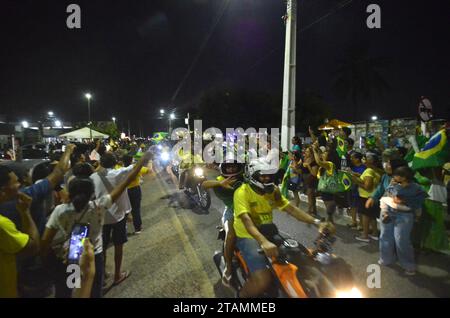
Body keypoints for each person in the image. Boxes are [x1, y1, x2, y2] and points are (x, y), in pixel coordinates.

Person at [40, 151, 151, 298]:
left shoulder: (60, 210)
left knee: (71, 287)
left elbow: (45, 242)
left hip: (73, 251)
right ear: (90, 192)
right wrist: (144, 158)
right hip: (94, 253)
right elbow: (125, 182)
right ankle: (113, 276)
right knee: (94, 290)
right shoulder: (97, 207)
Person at [233, 159, 334, 298]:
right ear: (252, 175)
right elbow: (247, 221)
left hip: (269, 231)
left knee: (302, 257)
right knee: (263, 279)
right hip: (248, 236)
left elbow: (290, 209)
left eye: (269, 175)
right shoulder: (242, 192)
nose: (267, 178)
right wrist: (263, 242)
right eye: (263, 175)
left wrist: (317, 222)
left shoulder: (273, 190)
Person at [89, 152, 139, 287]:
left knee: (101, 248)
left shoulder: (93, 177)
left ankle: (102, 275)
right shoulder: (119, 173)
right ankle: (117, 275)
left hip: (101, 217)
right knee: (118, 246)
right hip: (118, 217)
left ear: (101, 163)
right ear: (115, 163)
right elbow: (135, 167)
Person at [202, 158, 245, 288]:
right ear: (224, 169)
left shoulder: (243, 179)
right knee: (231, 235)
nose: (231, 169)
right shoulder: (220, 180)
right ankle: (228, 266)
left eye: (233, 167)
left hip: (247, 208)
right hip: (231, 211)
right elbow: (204, 184)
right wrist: (219, 184)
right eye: (228, 167)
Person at [378, 166, 427, 275]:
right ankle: (386, 258)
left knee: (402, 240)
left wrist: (405, 202)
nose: (394, 177)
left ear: (404, 177)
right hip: (388, 212)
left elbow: (418, 204)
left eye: (396, 175)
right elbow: (385, 197)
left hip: (405, 215)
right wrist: (385, 211)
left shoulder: (416, 188)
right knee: (385, 236)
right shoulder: (393, 185)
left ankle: (409, 265)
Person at [0, 166, 40, 298]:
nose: (20, 185)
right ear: (3, 190)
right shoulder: (2, 224)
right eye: (16, 182)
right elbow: (33, 247)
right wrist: (26, 212)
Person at [350, 153, 382, 242]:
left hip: (365, 197)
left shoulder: (368, 171)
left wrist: (355, 181)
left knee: (365, 216)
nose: (363, 159)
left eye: (366, 158)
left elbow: (367, 186)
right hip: (373, 196)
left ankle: (365, 235)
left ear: (371, 161)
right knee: (372, 216)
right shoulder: (375, 170)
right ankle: (375, 233)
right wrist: (355, 175)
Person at [312, 141, 341, 223]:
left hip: (328, 188)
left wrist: (314, 151)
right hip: (324, 189)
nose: (323, 154)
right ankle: (330, 221)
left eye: (325, 153)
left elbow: (318, 162)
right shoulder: (325, 165)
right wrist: (317, 150)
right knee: (327, 205)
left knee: (329, 205)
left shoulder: (330, 164)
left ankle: (328, 222)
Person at [122, 154, 150, 234]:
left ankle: (122, 230)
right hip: (135, 190)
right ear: (131, 160)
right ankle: (137, 228)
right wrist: (150, 162)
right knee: (136, 209)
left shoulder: (120, 168)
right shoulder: (135, 167)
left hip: (124, 191)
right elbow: (148, 170)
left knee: (125, 211)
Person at [347, 152, 366, 229]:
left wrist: (352, 173)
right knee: (352, 206)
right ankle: (353, 221)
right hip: (351, 188)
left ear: (358, 159)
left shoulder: (363, 168)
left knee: (359, 208)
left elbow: (363, 177)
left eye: (352, 158)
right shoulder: (351, 167)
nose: (351, 159)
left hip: (359, 189)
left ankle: (361, 224)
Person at [302, 146, 319, 216]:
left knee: (311, 195)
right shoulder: (305, 159)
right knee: (311, 196)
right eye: (305, 151)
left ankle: (310, 210)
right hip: (306, 179)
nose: (306, 153)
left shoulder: (314, 162)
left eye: (307, 151)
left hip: (311, 179)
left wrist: (308, 166)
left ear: (311, 153)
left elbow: (314, 174)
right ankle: (313, 210)